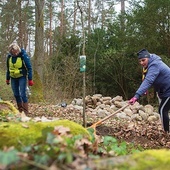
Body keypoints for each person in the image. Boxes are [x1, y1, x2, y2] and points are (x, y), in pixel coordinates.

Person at [129, 49, 170, 132]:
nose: (141, 63)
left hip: (168, 90)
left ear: (148, 57)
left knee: (162, 110)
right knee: (163, 111)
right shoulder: (148, 64)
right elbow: (146, 78)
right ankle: (166, 131)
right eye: (140, 61)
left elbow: (149, 80)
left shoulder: (155, 65)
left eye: (143, 60)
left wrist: (136, 95)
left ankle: (166, 134)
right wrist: (145, 89)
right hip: (163, 91)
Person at [6, 43, 34, 115]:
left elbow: (29, 68)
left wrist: (30, 79)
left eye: (16, 51)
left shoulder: (23, 55)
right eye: (13, 52)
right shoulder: (9, 57)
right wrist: (7, 78)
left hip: (22, 76)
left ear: (18, 49)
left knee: (22, 93)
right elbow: (8, 68)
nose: (15, 53)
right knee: (16, 94)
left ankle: (25, 112)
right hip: (13, 77)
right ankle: (20, 111)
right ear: (11, 51)